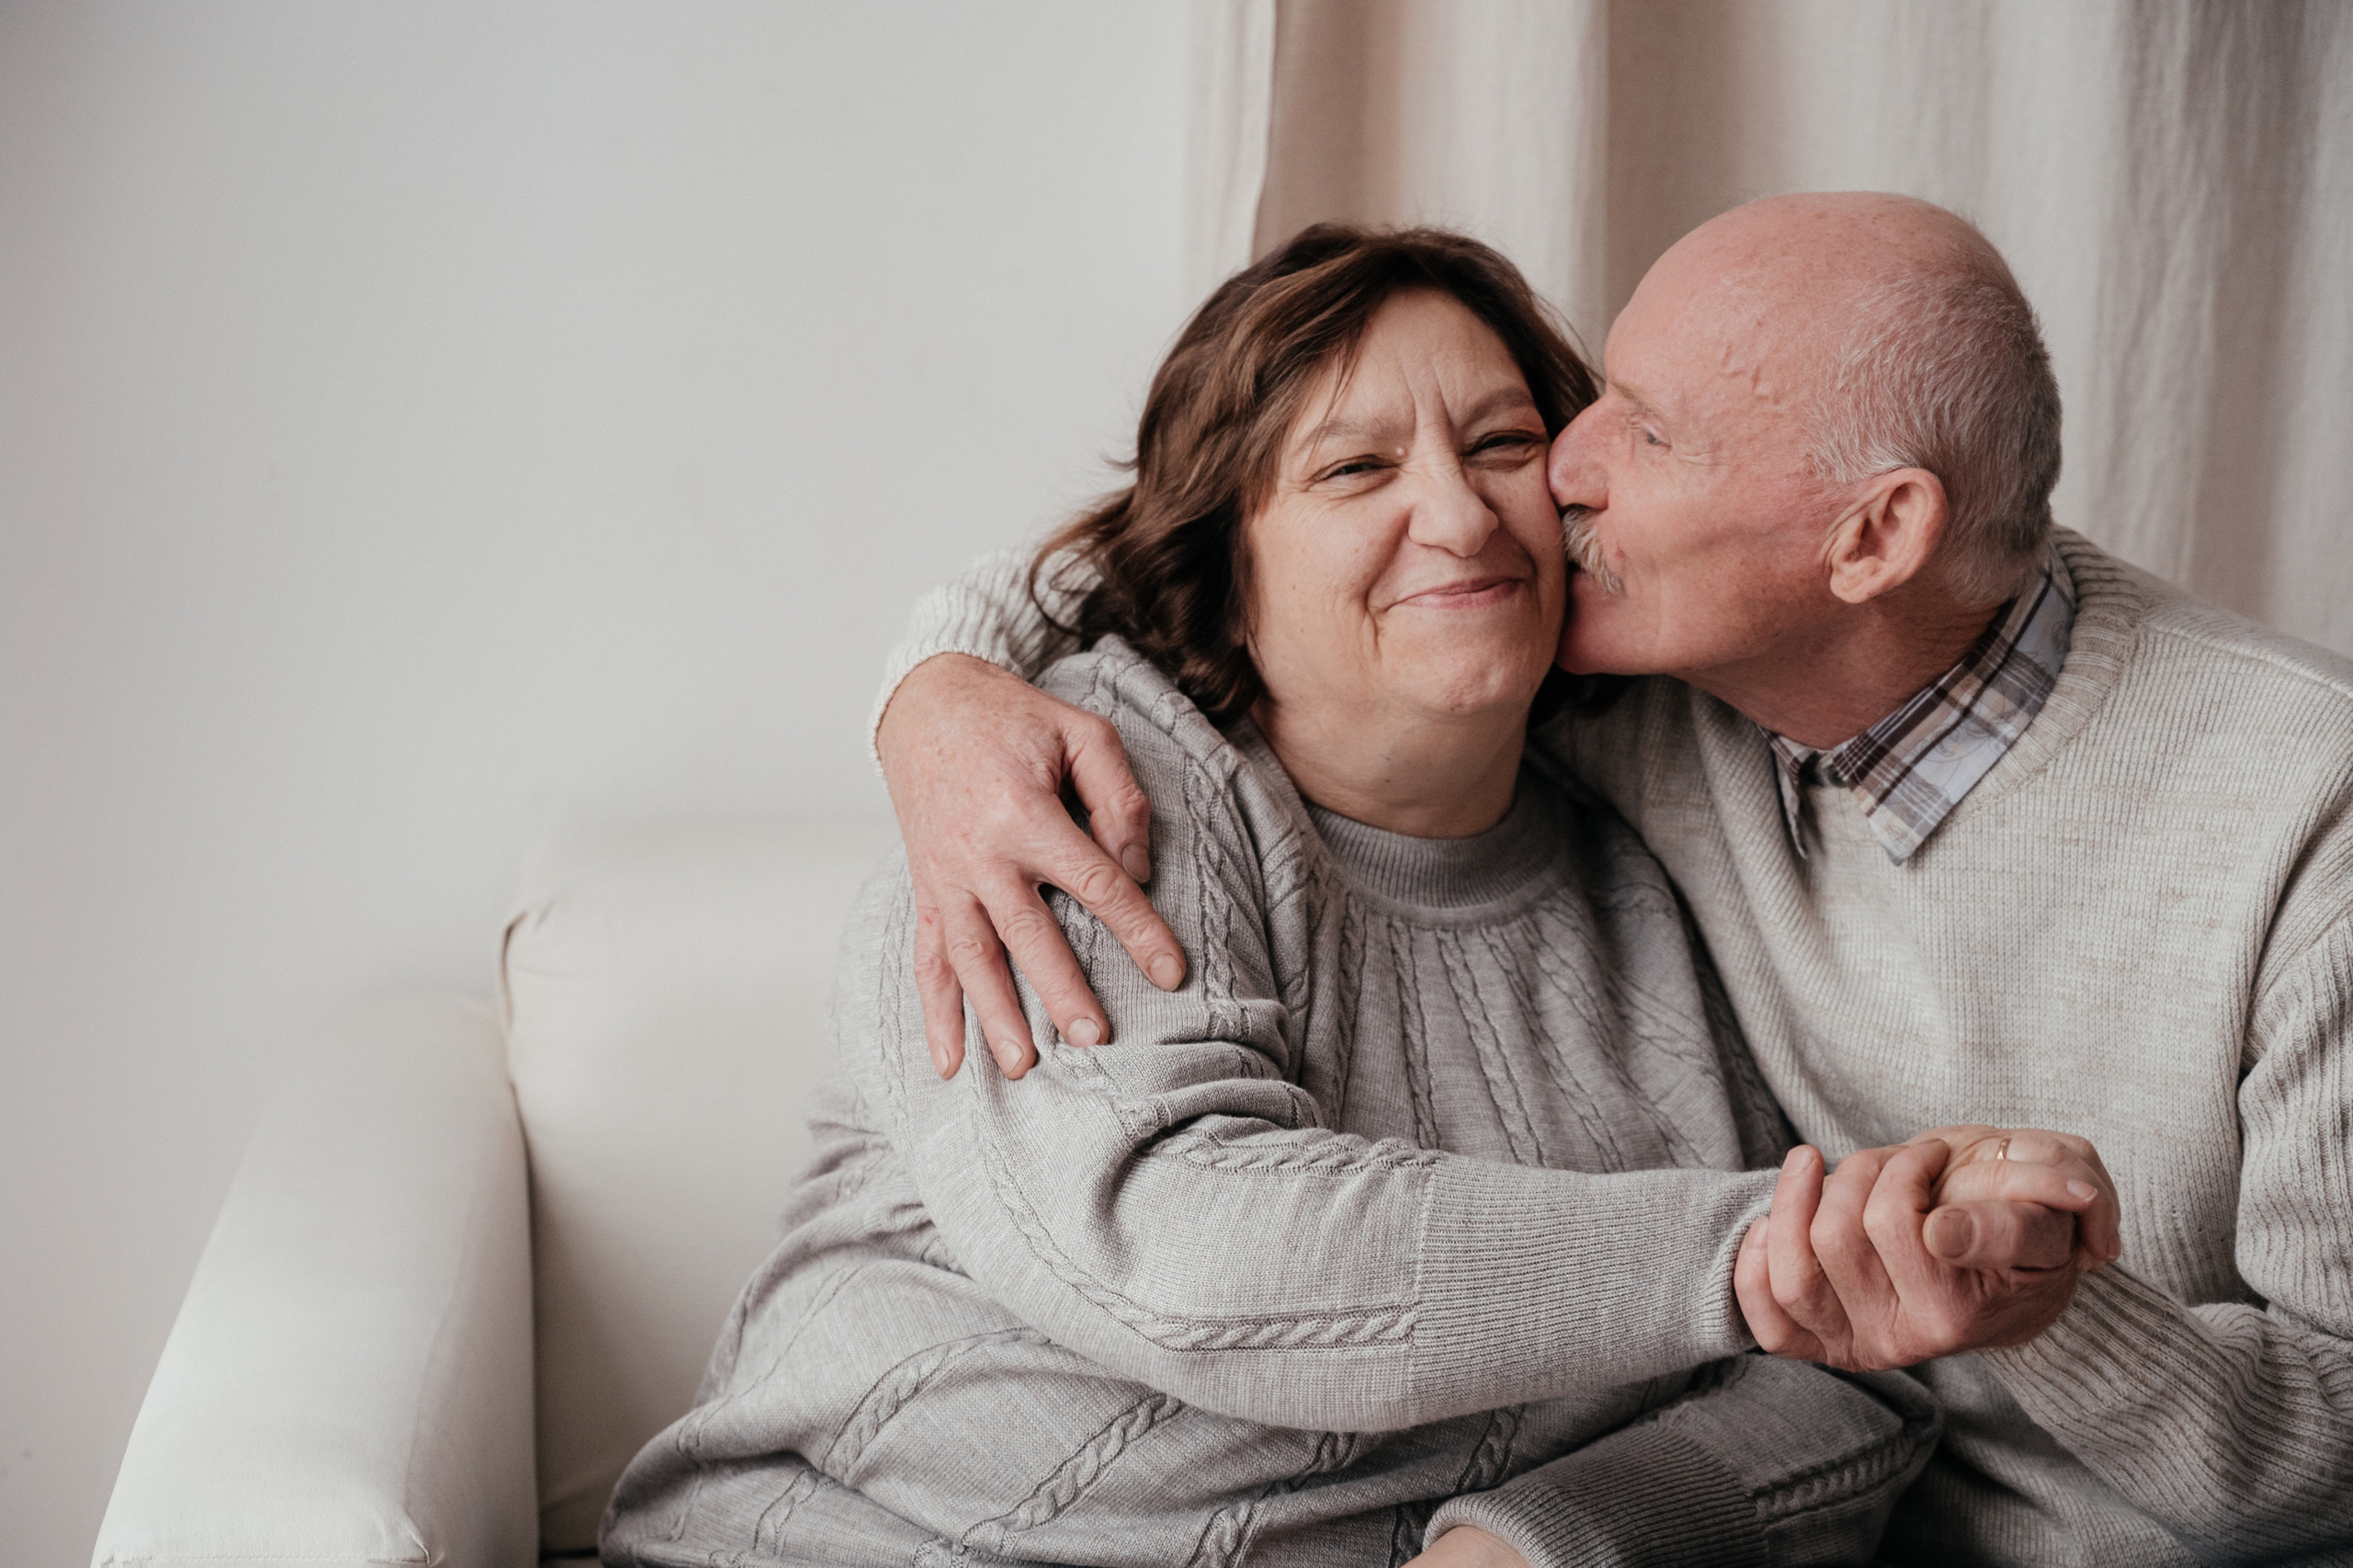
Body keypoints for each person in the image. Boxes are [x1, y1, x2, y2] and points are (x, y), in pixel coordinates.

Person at [869, 192, 2353, 1565]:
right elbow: (1219, 541)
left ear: (1873, 536)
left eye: (1634, 432)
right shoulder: (1589, 671)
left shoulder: (2304, 815)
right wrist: (936, 686)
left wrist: (2040, 1308)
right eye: (1575, 411)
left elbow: (2332, 1448)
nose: (1550, 479)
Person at [600, 226, 2099, 1568]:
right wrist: (1766, 1249)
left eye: (1502, 444)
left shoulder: (1666, 836)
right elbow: (1186, 1246)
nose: (1459, 515)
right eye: (1355, 469)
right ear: (1228, 565)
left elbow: (1852, 1380)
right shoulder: (1086, 789)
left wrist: (1541, 1542)